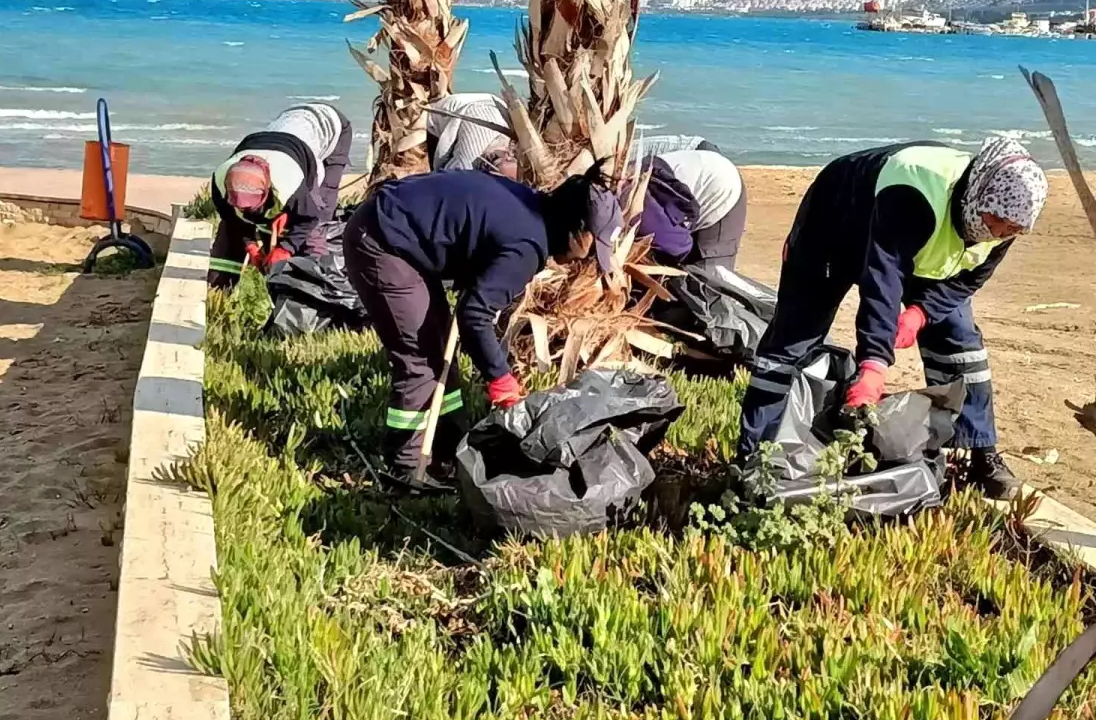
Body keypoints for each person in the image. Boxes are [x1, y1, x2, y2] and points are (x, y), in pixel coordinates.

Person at [736, 137, 1048, 499]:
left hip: (929, 243)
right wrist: (874, 366)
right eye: (997, 221)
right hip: (835, 226)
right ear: (977, 195)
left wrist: (920, 313)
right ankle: (754, 456)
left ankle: (981, 457)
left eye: (1010, 229)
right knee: (793, 341)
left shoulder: (1007, 216)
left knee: (959, 341)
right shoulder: (914, 189)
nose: (998, 231)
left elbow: (970, 279)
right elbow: (883, 281)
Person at [343, 165, 623, 491]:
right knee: (421, 359)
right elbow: (474, 314)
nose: (584, 259)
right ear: (576, 228)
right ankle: (407, 467)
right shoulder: (527, 246)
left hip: (399, 233)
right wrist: (501, 379)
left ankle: (448, 448)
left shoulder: (531, 206)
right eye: (591, 246)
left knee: (440, 352)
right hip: (381, 241)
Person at [207, 103, 353, 289]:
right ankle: (224, 288)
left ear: (268, 188)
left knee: (319, 218)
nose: (245, 210)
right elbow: (232, 220)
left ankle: (316, 288)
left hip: (330, 126)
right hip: (289, 124)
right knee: (235, 229)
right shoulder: (220, 181)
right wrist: (250, 245)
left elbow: (310, 218)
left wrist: (285, 249)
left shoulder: (289, 180)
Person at [636, 139, 748, 271]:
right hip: (695, 168)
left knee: (709, 278)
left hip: (718, 189)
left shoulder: (636, 202)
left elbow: (678, 245)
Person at [426, 93, 519, 178]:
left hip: (484, 103)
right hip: (440, 114)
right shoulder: (470, 155)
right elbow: (449, 177)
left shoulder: (516, 143)